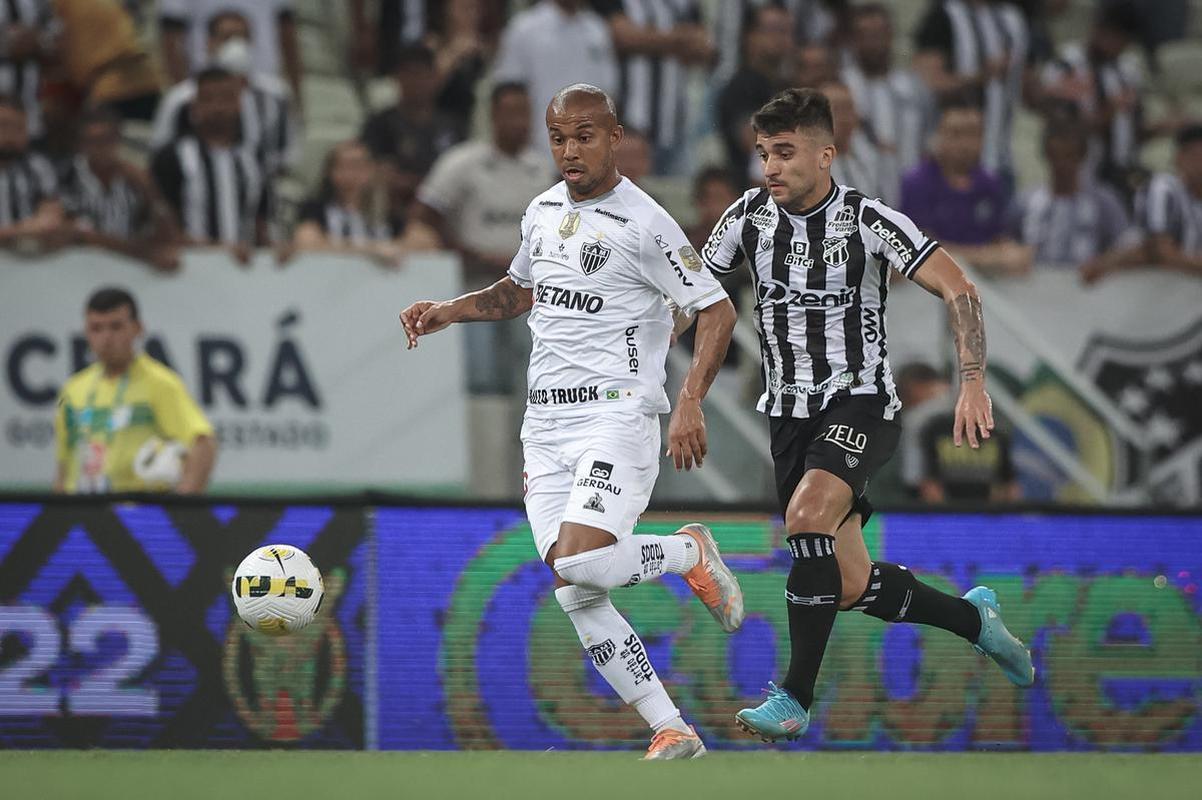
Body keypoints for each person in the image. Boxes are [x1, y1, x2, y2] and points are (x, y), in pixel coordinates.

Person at [400, 84, 742, 760]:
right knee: (575, 590)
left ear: (613, 136)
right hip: (545, 428)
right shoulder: (542, 210)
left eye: (584, 135)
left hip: (615, 417)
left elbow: (717, 309)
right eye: (558, 137)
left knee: (584, 561)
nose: (570, 149)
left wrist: (692, 398)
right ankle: (671, 727)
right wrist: (450, 309)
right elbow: (519, 292)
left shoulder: (645, 221)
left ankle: (688, 552)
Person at [698, 87, 1033, 742]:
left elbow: (958, 286)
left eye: (786, 153)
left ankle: (793, 697)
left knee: (805, 518)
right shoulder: (745, 218)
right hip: (788, 417)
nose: (771, 167)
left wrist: (971, 382)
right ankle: (975, 622)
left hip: (862, 403)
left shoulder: (869, 219)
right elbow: (694, 293)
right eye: (764, 153)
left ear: (828, 153)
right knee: (849, 584)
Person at [414, 82, 552, 497]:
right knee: (483, 387)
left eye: (525, 113)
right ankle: (482, 489)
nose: (518, 122)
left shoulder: (539, 169)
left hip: (526, 298)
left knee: (533, 388)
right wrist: (468, 253)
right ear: (492, 116)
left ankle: (525, 485)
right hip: (473, 292)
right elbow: (425, 214)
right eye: (509, 112)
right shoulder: (464, 164)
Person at [54, 288, 216, 494]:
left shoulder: (160, 383)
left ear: (138, 328)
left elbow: (203, 444)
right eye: (96, 328)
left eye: (116, 327)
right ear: (86, 331)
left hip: (137, 516)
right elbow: (64, 466)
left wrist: (179, 509)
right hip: (83, 514)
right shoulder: (72, 390)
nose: (106, 338)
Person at [151, 9, 298, 177]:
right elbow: (160, 155)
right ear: (209, 42)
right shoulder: (180, 99)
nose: (237, 45)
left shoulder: (276, 95)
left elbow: (285, 156)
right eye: (227, 38)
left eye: (243, 38)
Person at [150, 67, 271, 263]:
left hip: (244, 273)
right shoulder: (172, 157)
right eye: (209, 99)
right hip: (189, 269)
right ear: (194, 107)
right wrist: (217, 250)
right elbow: (161, 227)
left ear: (239, 104)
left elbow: (260, 225)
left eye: (226, 98)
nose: (218, 107)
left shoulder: (253, 160)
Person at [901, 99, 1030, 276]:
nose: (965, 144)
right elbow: (921, 252)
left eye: (973, 134)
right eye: (956, 134)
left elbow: (1003, 241)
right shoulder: (917, 182)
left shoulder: (990, 183)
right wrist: (986, 257)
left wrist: (1009, 253)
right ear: (939, 135)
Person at [591, 0, 715, 172]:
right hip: (631, 124)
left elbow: (704, 46)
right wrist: (680, 39)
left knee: (675, 195)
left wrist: (648, 39)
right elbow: (622, 36)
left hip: (678, 124)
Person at [913, 0, 1031, 178]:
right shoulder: (943, 15)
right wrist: (981, 77)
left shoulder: (1012, 18)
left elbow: (1026, 85)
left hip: (1001, 154)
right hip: (948, 163)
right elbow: (930, 83)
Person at [59, 108, 181, 271]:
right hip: (79, 269)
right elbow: (78, 235)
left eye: (106, 140)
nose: (100, 148)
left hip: (127, 271)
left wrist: (150, 190)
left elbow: (168, 235)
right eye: (93, 141)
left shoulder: (134, 178)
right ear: (81, 144)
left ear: (118, 139)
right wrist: (144, 253)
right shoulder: (67, 176)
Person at [1012, 120, 1140, 274]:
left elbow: (1129, 247)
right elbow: (1005, 244)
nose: (1061, 164)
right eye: (1055, 155)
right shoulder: (1024, 202)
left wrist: (1104, 263)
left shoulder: (1103, 203)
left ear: (1082, 156)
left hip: (1087, 291)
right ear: (1045, 155)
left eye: (1069, 156)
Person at [491, 1, 618, 148]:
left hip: (587, 148)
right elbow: (509, 93)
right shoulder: (524, 29)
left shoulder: (597, 29)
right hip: (538, 145)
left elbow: (608, 94)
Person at [290, 140, 438, 267]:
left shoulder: (385, 210)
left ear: (371, 170)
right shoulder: (316, 209)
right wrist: (373, 251)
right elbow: (307, 244)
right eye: (343, 167)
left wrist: (396, 248)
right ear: (330, 172)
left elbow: (427, 240)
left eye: (357, 167)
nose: (350, 175)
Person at [359, 43, 462, 216]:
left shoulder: (453, 126)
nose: (416, 82)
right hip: (395, 210)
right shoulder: (379, 124)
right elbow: (374, 171)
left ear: (435, 77)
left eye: (422, 74)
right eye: (409, 74)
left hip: (445, 210)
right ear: (397, 78)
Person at [841, 3, 935, 177]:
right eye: (865, 35)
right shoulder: (842, 87)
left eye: (878, 35)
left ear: (891, 36)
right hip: (858, 189)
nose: (873, 43)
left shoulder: (913, 88)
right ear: (853, 40)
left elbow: (929, 141)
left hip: (907, 189)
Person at [158, 0, 303, 108]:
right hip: (205, 89)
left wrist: (296, 96)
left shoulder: (276, 95)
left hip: (263, 84)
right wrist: (186, 95)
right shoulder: (180, 99)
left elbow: (288, 33)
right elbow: (171, 40)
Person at [716, 3, 793, 180]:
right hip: (750, 191)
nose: (781, 38)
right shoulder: (741, 85)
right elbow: (752, 140)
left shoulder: (786, 85)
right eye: (773, 29)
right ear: (750, 36)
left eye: (787, 30)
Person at [1129, 124, 1202, 277]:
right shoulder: (1164, 188)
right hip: (1149, 287)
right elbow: (1161, 253)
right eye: (1196, 156)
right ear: (1179, 158)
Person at [0, 96, 63, 253]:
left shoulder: (38, 166)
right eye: (3, 126)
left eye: (19, 128)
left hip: (26, 260)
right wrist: (19, 231)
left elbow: (50, 220)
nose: (10, 135)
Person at [822, 80, 898, 205]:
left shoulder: (872, 158)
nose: (844, 118)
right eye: (836, 110)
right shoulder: (812, 165)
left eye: (848, 109)